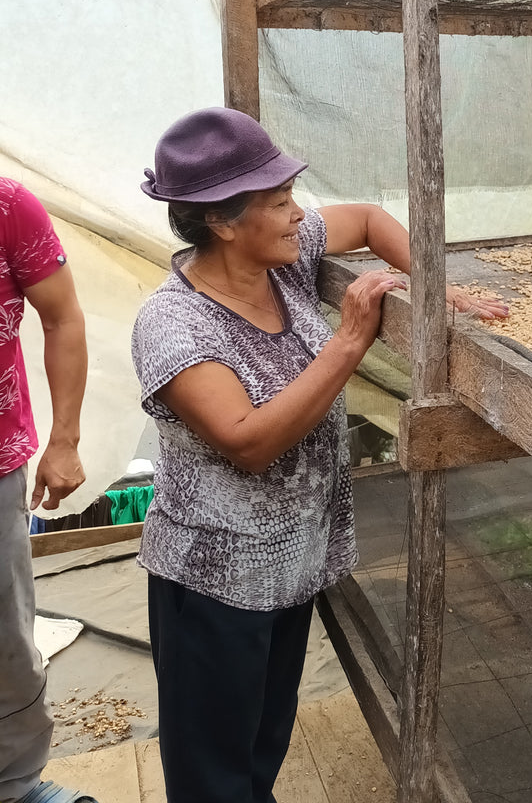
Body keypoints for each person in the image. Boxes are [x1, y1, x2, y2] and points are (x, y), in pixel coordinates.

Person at [132, 107, 505, 803]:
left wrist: (441, 289)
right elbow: (249, 441)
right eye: (278, 202)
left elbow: (363, 218)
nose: (296, 215)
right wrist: (348, 341)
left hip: (290, 565)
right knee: (212, 769)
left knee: (263, 740)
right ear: (222, 222)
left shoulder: (280, 259)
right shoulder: (172, 323)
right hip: (215, 583)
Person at [0, 180, 92, 803]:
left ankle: (14, 784)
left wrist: (64, 440)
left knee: (5, 636)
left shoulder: (7, 205)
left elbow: (62, 316)